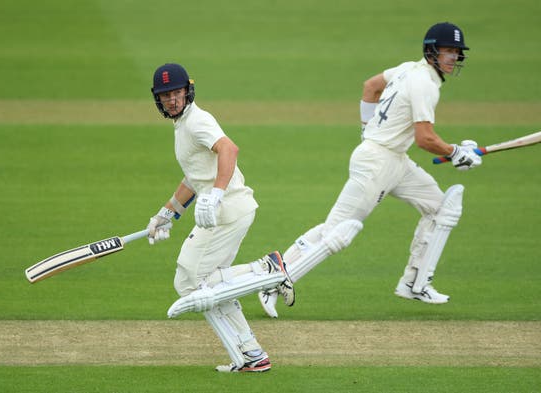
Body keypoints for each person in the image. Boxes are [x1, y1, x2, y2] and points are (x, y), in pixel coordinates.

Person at [258, 22, 481, 318]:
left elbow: (370, 86)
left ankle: (415, 283)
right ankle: (274, 280)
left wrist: (368, 128)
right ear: (432, 51)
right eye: (448, 51)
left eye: (457, 52)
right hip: (377, 163)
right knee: (337, 231)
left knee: (442, 208)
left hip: (396, 161)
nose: (454, 57)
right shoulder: (425, 84)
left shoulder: (407, 69)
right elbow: (424, 138)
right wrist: (455, 153)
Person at [145, 63, 295, 372]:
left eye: (176, 93)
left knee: (190, 279)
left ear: (188, 91)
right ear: (157, 100)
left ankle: (266, 269)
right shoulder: (182, 126)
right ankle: (252, 354)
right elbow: (193, 178)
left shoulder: (197, 121)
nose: (172, 100)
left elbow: (229, 149)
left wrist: (215, 194)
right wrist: (167, 213)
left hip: (228, 211)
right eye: (165, 96)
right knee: (204, 285)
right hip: (224, 212)